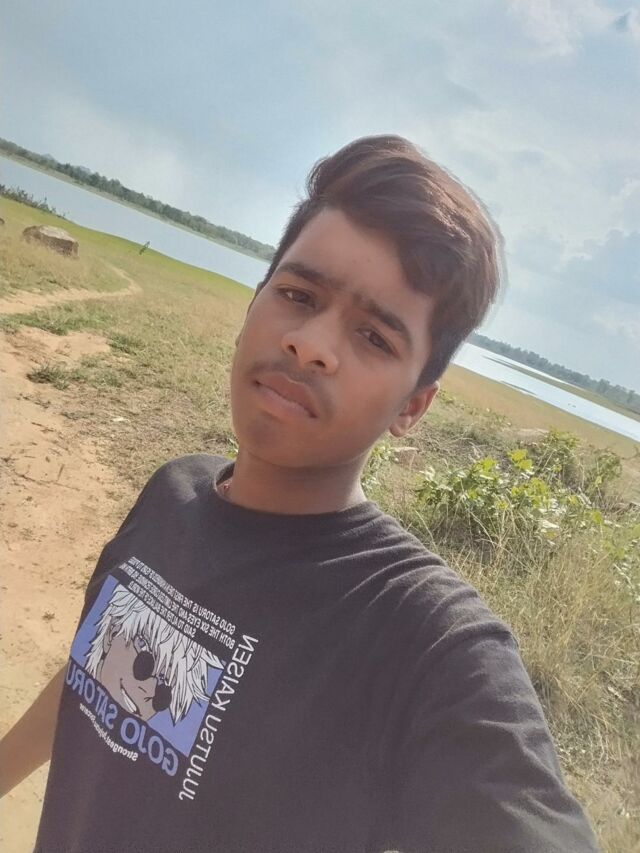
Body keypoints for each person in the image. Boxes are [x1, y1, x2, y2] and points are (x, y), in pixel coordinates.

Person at [0, 135, 599, 852]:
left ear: (413, 406)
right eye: (298, 295)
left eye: (374, 337)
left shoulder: (423, 639)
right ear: (255, 301)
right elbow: (96, 672)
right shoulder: (172, 491)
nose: (311, 343)